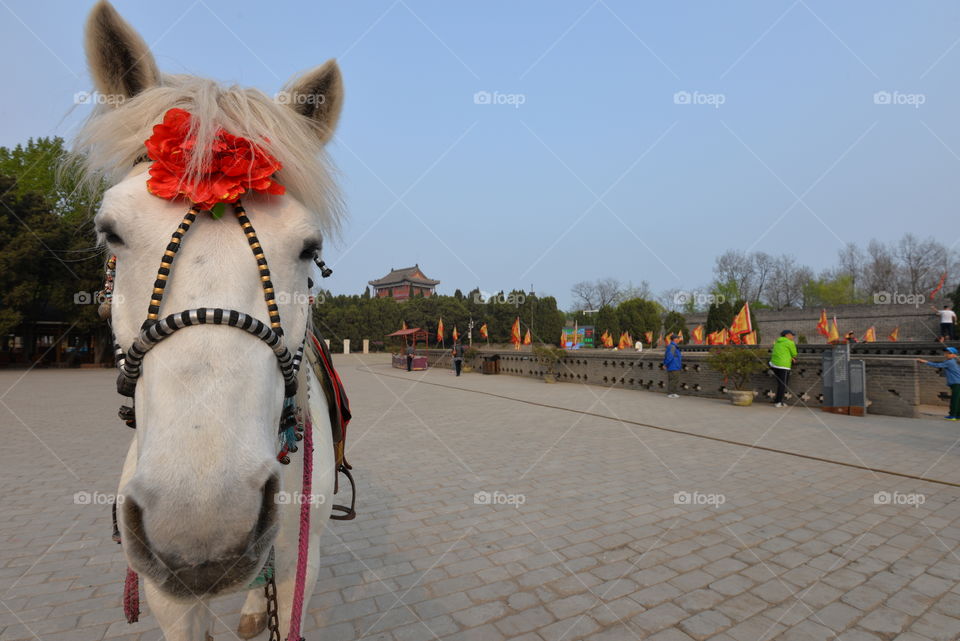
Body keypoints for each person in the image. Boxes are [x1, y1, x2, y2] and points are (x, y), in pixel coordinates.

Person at [918, 346, 960, 420]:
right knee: (957, 399)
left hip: (956, 383)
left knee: (955, 400)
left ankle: (953, 415)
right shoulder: (954, 361)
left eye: (949, 353)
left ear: (954, 355)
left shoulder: (950, 362)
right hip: (957, 382)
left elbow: (937, 365)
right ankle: (957, 415)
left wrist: (925, 361)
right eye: (946, 352)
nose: (946, 354)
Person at [769, 329, 798, 408]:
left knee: (780, 384)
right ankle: (778, 402)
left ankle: (778, 401)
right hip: (783, 366)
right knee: (783, 384)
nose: (793, 336)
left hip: (774, 365)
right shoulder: (790, 342)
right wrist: (793, 358)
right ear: (787, 335)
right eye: (792, 335)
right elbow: (794, 353)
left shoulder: (777, 342)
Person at [663, 333, 682, 398]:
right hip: (673, 366)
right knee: (673, 380)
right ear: (674, 339)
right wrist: (665, 364)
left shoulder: (675, 346)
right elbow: (669, 356)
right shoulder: (672, 347)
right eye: (677, 338)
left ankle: (673, 392)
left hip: (676, 365)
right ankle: (670, 393)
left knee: (675, 380)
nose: (678, 339)